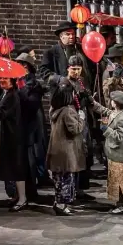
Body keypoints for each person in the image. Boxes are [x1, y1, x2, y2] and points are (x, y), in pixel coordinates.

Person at [50, 55, 96, 201]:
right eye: (73, 69)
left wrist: (88, 98)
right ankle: (70, 193)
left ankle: (79, 189)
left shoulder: (81, 82)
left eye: (78, 69)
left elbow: (89, 102)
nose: (76, 72)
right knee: (72, 159)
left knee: (84, 154)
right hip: (70, 122)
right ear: (68, 69)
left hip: (82, 119)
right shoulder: (64, 84)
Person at [47, 78, 86, 216]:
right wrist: (81, 118)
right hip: (66, 153)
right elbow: (75, 129)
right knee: (66, 180)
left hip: (56, 151)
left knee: (59, 180)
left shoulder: (54, 109)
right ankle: (62, 205)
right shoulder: (68, 111)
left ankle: (58, 203)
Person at [93, 91, 123, 214]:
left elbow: (120, 136)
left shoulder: (122, 117)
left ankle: (122, 205)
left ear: (116, 103)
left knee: (119, 181)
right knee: (117, 180)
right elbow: (106, 111)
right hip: (114, 154)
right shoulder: (118, 112)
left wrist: (106, 128)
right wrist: (93, 103)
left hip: (119, 155)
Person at [0, 77, 30, 212]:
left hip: (14, 136)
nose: (2, 80)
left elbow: (3, 114)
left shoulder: (12, 95)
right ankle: (17, 196)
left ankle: (22, 199)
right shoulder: (5, 94)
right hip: (9, 135)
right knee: (13, 167)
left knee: (17, 167)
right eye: (1, 78)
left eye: (5, 79)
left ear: (12, 81)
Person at [15, 53, 48, 197]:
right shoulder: (18, 81)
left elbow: (30, 103)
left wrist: (21, 88)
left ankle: (32, 188)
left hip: (30, 127)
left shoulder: (32, 83)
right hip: (21, 126)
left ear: (25, 66)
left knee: (31, 158)